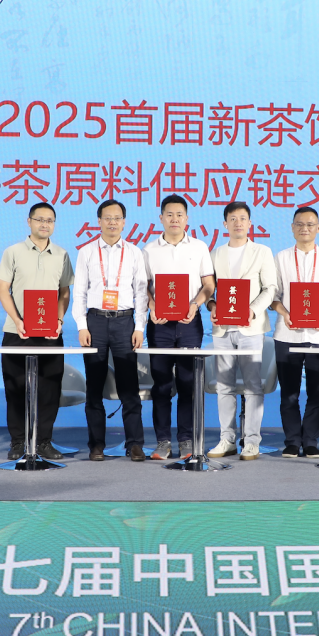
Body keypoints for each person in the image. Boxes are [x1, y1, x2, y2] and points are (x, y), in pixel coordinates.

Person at [0, 203, 75, 461]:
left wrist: (59, 320)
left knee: (50, 389)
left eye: (49, 220)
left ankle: (43, 442)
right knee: (15, 388)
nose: (44, 224)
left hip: (50, 332)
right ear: (28, 221)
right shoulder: (13, 252)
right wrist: (17, 320)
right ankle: (18, 442)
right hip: (16, 331)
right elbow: (2, 290)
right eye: (39, 219)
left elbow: (64, 292)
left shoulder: (62, 254)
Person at [72, 199, 149, 462]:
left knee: (129, 386)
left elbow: (141, 293)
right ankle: (96, 445)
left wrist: (139, 327)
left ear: (124, 222)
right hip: (95, 322)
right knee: (94, 386)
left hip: (125, 322)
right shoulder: (86, 252)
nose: (112, 222)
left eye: (117, 218)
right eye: (107, 218)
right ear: (99, 221)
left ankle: (135, 443)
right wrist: (82, 325)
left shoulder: (134, 252)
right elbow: (79, 292)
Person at [142, 194, 215, 460]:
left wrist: (195, 304)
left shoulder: (199, 247)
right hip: (160, 326)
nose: (175, 219)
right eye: (169, 214)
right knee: (161, 385)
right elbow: (143, 287)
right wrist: (152, 307)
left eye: (179, 214)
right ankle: (163, 442)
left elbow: (209, 285)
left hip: (189, 323)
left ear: (187, 218)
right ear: (161, 218)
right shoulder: (149, 250)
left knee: (188, 383)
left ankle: (186, 440)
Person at [271, 206, 319, 458]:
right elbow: (273, 295)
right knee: (289, 393)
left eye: (310, 224)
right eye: (300, 224)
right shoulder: (281, 257)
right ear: (292, 227)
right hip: (287, 335)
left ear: (318, 228)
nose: (305, 228)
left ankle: (311, 441)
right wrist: (285, 313)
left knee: (317, 392)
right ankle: (292, 441)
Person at [207, 202, 277, 461]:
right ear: (225, 223)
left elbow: (270, 288)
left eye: (243, 218)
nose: (238, 222)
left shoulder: (262, 251)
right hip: (222, 329)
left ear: (250, 223)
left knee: (252, 386)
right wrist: (212, 306)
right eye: (233, 218)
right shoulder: (215, 253)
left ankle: (252, 442)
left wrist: (253, 310)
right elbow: (208, 290)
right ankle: (227, 439)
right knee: (224, 387)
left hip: (251, 327)